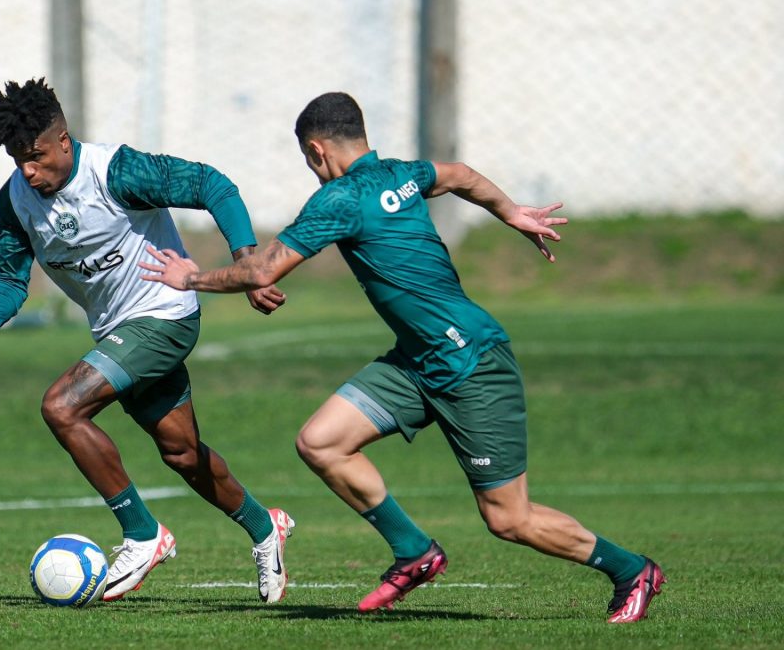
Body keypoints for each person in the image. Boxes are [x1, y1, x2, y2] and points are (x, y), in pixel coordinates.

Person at [139, 91, 664, 622]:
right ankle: (414, 551)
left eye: (307, 162)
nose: (313, 172)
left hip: (471, 363)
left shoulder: (339, 199)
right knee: (321, 443)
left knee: (510, 519)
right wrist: (511, 212)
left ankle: (630, 569)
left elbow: (262, 270)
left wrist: (192, 277)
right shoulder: (402, 174)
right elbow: (458, 174)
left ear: (318, 151)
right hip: (417, 361)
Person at [0, 78, 294, 604]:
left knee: (61, 407)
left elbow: (211, 184)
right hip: (117, 332)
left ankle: (141, 534)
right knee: (181, 453)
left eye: (37, 156)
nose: (28, 170)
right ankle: (265, 527)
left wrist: (247, 259)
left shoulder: (116, 172)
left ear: (63, 139)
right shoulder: (16, 199)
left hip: (164, 317)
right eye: (19, 159)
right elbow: (9, 277)